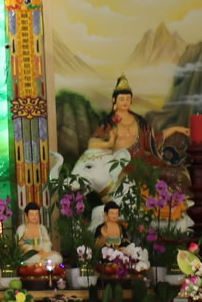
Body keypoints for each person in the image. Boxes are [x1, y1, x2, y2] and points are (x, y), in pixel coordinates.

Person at [70, 75, 144, 210]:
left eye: (128, 98)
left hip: (138, 162)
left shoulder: (140, 121)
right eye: (122, 99)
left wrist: (173, 129)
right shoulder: (109, 123)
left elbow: (151, 139)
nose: (125, 102)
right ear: (114, 100)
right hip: (116, 166)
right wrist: (109, 143)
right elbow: (92, 143)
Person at [17, 202, 62, 269]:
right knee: (32, 259)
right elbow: (19, 245)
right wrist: (34, 251)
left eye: (36, 214)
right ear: (26, 216)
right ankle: (44, 264)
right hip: (28, 255)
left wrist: (44, 251)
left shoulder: (42, 228)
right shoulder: (22, 229)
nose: (34, 216)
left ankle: (42, 264)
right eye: (31, 214)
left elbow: (47, 243)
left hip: (42, 253)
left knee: (58, 257)